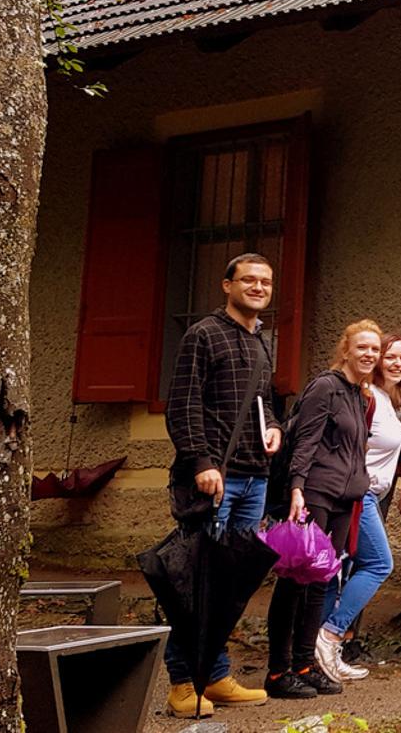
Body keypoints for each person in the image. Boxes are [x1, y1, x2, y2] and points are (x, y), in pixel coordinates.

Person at [162, 253, 283, 716]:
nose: (258, 287)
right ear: (226, 285)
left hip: (255, 478)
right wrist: (201, 462)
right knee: (197, 584)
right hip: (215, 479)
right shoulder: (203, 334)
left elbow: (264, 403)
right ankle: (182, 682)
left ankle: (214, 676)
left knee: (230, 586)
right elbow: (183, 404)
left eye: (265, 282)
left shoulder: (261, 341)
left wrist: (274, 427)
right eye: (248, 280)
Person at [265, 320, 375, 698]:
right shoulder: (325, 386)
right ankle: (279, 672)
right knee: (294, 583)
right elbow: (305, 442)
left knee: (321, 582)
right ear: (345, 349)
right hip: (315, 493)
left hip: (345, 500)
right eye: (362, 347)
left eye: (374, 350)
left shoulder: (359, 395)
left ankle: (305, 664)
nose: (370, 355)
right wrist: (296, 489)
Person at [318, 331, 401, 683]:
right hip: (357, 494)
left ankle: (324, 651)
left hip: (365, 495)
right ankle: (330, 634)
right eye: (391, 356)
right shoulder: (365, 396)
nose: (398, 362)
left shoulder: (386, 398)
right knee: (379, 563)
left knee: (335, 573)